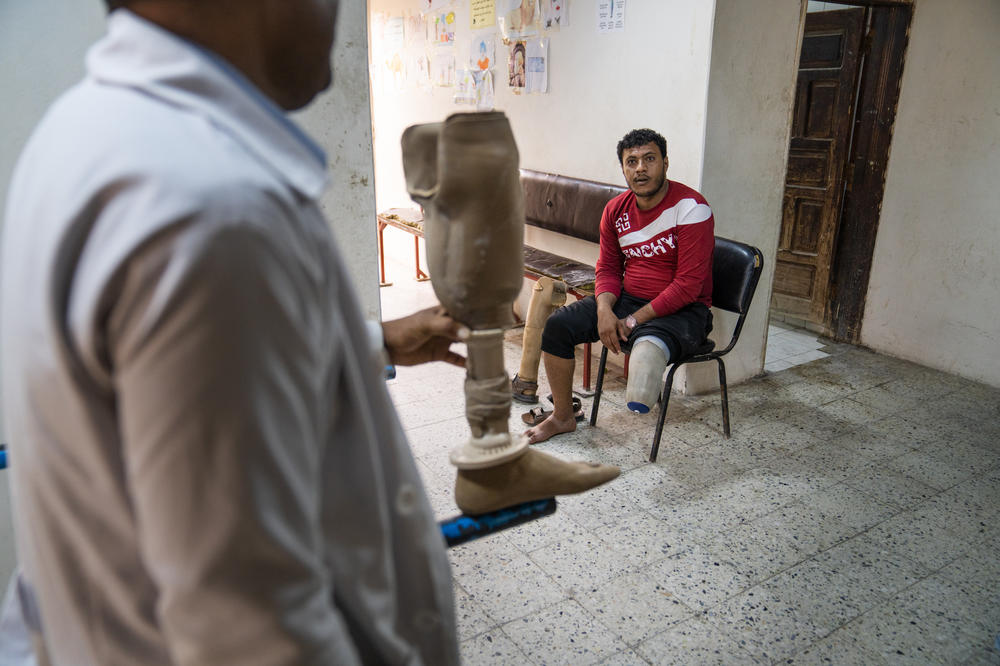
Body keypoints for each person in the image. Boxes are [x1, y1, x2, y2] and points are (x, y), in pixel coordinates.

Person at [1, 1, 462, 664]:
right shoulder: (210, 209)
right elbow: (251, 629)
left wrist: (375, 342)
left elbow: (155, 382)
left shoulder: (84, 130)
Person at [526, 128, 715, 444]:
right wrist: (604, 310)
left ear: (665, 163)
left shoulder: (692, 208)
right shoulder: (616, 210)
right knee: (558, 326)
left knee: (644, 363)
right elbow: (609, 268)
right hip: (629, 297)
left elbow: (688, 285)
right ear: (624, 169)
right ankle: (562, 417)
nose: (640, 168)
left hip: (685, 311)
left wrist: (630, 321)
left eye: (649, 159)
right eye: (632, 161)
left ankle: (645, 349)